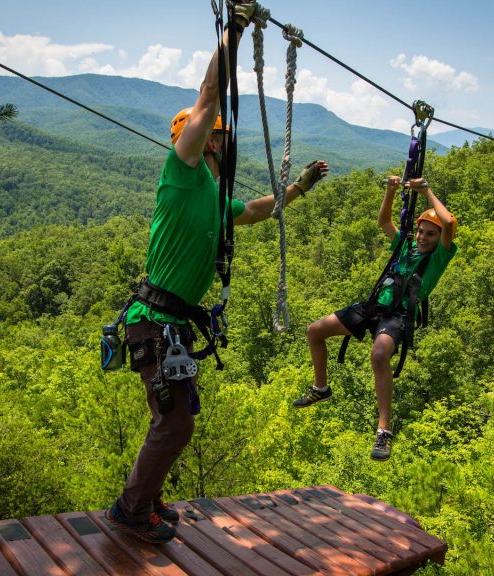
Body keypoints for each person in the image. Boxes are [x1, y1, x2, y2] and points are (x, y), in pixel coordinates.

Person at [105, 1, 329, 545]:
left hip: (168, 326)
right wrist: (231, 29)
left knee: (175, 418)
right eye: (221, 135)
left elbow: (255, 211)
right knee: (175, 422)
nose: (228, 141)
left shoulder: (214, 192)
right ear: (206, 139)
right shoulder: (181, 173)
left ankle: (147, 495)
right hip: (154, 322)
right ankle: (132, 509)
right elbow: (208, 98)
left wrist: (298, 187)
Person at [292, 175, 457, 461]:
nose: (423, 237)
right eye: (421, 231)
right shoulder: (406, 246)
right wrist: (390, 191)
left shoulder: (440, 256)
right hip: (374, 306)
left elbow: (450, 224)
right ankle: (321, 387)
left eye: (431, 234)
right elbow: (384, 222)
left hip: (400, 314)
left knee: (379, 355)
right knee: (315, 331)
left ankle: (384, 431)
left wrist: (427, 191)